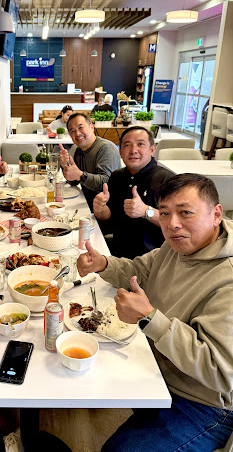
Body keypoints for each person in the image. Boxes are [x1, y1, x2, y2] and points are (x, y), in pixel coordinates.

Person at [78, 173, 233, 452]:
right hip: (163, 369)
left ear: (216, 214)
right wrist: (103, 264)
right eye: (164, 213)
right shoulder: (178, 245)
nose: (172, 224)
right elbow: (139, 271)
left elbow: (221, 373)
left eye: (185, 212)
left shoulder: (227, 279)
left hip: (206, 403)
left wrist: (149, 318)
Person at [93, 126, 173, 258]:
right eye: (127, 145)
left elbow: (176, 223)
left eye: (140, 144)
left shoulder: (167, 179)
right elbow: (109, 216)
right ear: (120, 152)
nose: (133, 150)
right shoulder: (117, 176)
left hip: (154, 258)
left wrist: (146, 211)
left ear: (152, 149)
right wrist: (100, 209)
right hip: (118, 252)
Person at [59, 113, 120, 210]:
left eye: (80, 127)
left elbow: (106, 183)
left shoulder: (106, 148)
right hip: (86, 203)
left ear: (91, 127)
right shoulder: (77, 149)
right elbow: (74, 182)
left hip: (106, 208)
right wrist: (65, 166)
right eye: (72, 131)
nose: (77, 134)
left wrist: (80, 175)